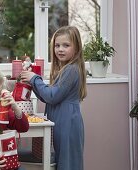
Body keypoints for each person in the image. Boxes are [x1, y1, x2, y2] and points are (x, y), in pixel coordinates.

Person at [20, 26, 87, 170]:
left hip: (68, 122)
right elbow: (48, 97)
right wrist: (33, 84)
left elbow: (51, 96)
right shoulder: (64, 69)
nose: (60, 49)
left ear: (76, 48)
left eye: (66, 45)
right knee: (62, 161)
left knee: (67, 163)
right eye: (57, 45)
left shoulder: (72, 70)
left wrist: (34, 79)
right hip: (62, 119)